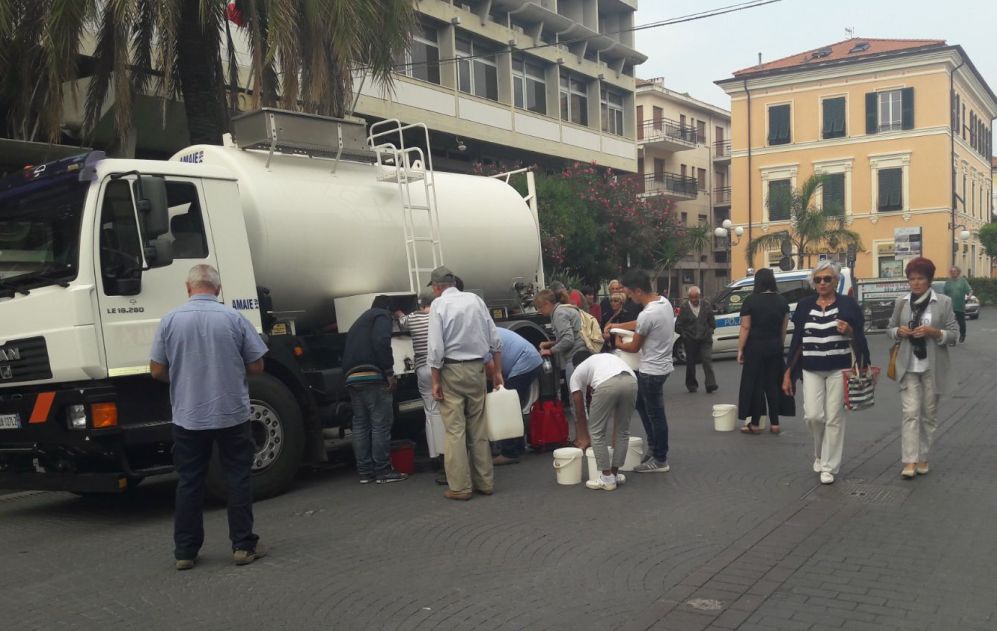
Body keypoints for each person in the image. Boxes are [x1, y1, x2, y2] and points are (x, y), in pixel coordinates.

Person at [149, 264, 268, 571]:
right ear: (218, 289)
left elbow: (157, 370)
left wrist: (184, 379)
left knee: (189, 481)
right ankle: (243, 546)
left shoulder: (170, 320)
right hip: (231, 413)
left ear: (188, 289)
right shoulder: (234, 318)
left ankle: (185, 552)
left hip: (189, 416)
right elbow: (257, 367)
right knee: (237, 478)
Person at [784, 261, 870, 485]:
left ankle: (829, 466)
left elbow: (860, 334)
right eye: (818, 279)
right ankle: (820, 452)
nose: (822, 283)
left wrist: (850, 331)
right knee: (813, 416)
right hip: (811, 368)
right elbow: (797, 341)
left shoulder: (847, 304)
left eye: (827, 279)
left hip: (839, 369)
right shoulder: (804, 306)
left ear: (836, 281)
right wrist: (787, 372)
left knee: (834, 418)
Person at [427, 265, 503, 501]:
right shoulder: (474, 300)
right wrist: (497, 372)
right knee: (478, 427)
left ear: (438, 287)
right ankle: (485, 482)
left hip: (451, 370)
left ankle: (460, 487)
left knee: (455, 430)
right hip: (477, 369)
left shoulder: (439, 305)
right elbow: (495, 339)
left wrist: (436, 381)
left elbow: (436, 348)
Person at [886, 257, 958, 480]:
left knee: (928, 415)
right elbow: (890, 328)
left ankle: (923, 456)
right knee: (910, 413)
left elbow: (953, 335)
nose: (916, 283)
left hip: (932, 366)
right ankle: (909, 460)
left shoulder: (943, 302)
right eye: (912, 279)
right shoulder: (902, 302)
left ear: (929, 280)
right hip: (907, 365)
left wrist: (933, 332)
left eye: (921, 279)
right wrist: (900, 332)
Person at [614, 270, 675, 473]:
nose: (629, 297)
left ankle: (660, 459)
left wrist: (619, 343)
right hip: (663, 366)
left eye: (630, 293)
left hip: (650, 370)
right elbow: (642, 325)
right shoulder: (663, 303)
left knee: (656, 415)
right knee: (644, 407)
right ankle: (654, 449)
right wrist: (619, 324)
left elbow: (634, 347)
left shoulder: (646, 314)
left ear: (638, 290)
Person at [343, 295, 406, 485]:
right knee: (380, 423)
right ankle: (383, 471)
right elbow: (381, 341)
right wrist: (389, 372)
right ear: (389, 309)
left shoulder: (361, 320)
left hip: (352, 377)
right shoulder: (381, 316)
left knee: (361, 424)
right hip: (372, 376)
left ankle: (365, 472)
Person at [568, 350, 638, 491]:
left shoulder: (577, 372)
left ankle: (607, 479)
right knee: (622, 431)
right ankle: (614, 474)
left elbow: (579, 409)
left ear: (576, 365)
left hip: (607, 384)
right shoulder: (606, 358)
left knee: (597, 432)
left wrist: (584, 436)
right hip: (631, 381)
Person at [396, 291, 446, 485]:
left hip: (421, 369)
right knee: (445, 410)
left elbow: (402, 322)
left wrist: (399, 313)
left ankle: (433, 453)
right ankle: (445, 453)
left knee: (430, 412)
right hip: (438, 368)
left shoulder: (413, 318)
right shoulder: (437, 317)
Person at [737, 268, 789, 435]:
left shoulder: (750, 301)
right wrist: (778, 345)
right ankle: (775, 423)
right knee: (773, 384)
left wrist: (740, 349)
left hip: (755, 348)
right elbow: (783, 328)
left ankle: (755, 424)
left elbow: (745, 327)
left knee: (755, 385)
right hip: (774, 346)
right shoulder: (782, 301)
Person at [488, 327, 543, 466]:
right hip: (530, 359)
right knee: (512, 406)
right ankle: (517, 446)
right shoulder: (487, 329)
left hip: (525, 362)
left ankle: (509, 453)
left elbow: (490, 366)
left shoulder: (479, 336)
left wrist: (495, 382)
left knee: (505, 406)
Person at [536, 288, 588, 396]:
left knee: (576, 399)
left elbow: (568, 340)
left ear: (546, 304)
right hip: (581, 355)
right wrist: (550, 343)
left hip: (574, 358)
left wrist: (550, 351)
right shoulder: (563, 309)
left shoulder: (558, 313)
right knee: (581, 398)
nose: (539, 311)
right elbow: (569, 336)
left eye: (539, 307)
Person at [675, 286, 717, 394]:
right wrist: (684, 335)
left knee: (707, 359)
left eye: (696, 297)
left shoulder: (706, 305)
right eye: (691, 298)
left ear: (700, 296)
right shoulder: (684, 307)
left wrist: (710, 330)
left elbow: (712, 323)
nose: (694, 300)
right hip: (690, 339)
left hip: (705, 339)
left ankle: (710, 384)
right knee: (690, 363)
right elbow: (678, 325)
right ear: (688, 297)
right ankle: (691, 384)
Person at [942, 265, 972, 343]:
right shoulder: (948, 282)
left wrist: (969, 296)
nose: (953, 273)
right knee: (950, 324)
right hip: (950, 307)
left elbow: (970, 290)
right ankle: (952, 338)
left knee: (961, 323)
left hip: (960, 306)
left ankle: (962, 334)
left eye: (954, 271)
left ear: (958, 272)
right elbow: (944, 294)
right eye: (951, 272)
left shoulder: (963, 281)